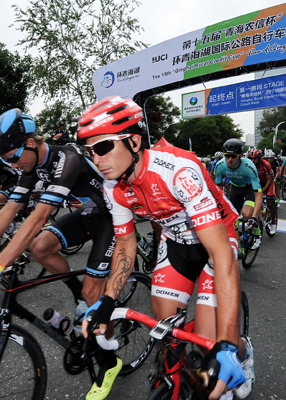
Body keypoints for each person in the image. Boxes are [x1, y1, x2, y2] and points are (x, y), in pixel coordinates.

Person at [76, 96, 253, 400]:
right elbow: (125, 244)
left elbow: (222, 255)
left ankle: (242, 351)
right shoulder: (112, 187)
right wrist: (108, 301)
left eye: (103, 147)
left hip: (215, 241)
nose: (96, 159)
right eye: (89, 151)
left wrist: (225, 343)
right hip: (176, 244)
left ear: (133, 141)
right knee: (166, 335)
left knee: (208, 344)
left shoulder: (178, 171)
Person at [0, 108, 119, 400]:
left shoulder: (67, 158)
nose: (12, 165)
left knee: (95, 296)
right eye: (6, 160)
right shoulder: (30, 167)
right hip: (84, 216)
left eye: (13, 157)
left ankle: (109, 360)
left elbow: (39, 216)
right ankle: (79, 295)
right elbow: (9, 210)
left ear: (31, 143)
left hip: (111, 218)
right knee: (39, 248)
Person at [214, 139, 263, 250]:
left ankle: (257, 233)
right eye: (227, 156)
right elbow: (216, 190)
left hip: (249, 189)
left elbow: (258, 194)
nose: (229, 160)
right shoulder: (220, 165)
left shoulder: (249, 166)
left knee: (247, 214)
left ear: (240, 156)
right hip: (235, 189)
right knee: (230, 218)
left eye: (234, 156)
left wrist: (254, 218)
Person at [248, 149, 277, 235]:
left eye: (255, 158)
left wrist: (263, 191)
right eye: (251, 158)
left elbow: (269, 180)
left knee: (270, 203)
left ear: (259, 158)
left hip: (268, 182)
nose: (252, 160)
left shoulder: (266, 164)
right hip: (258, 182)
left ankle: (273, 223)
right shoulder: (249, 165)